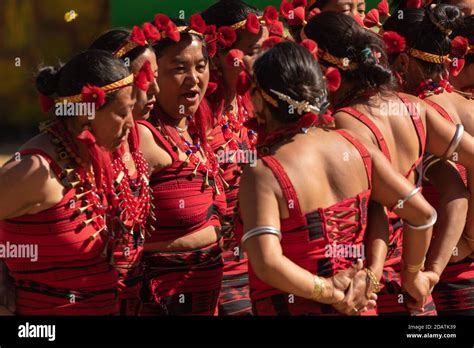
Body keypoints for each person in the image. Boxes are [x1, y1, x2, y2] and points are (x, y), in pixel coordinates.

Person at [238, 41, 440, 316]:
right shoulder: (355, 147)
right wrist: (392, 275)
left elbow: (267, 263)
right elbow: (422, 215)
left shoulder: (262, 172)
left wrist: (330, 291)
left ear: (260, 100)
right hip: (361, 307)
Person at [303, 10, 474, 314]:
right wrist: (429, 272)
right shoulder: (414, 108)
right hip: (417, 293)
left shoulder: (340, 124)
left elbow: (392, 211)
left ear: (323, 67)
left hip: (368, 289)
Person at [0, 49, 136, 315]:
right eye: (123, 113)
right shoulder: (35, 171)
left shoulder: (96, 158)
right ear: (87, 114)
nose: (131, 123)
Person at [137, 15, 226, 315]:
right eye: (179, 69)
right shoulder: (143, 137)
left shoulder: (199, 129)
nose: (194, 78)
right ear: (152, 75)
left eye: (200, 66)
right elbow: (110, 237)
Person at [201, 0, 270, 316]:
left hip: (259, 265)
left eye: (264, 50)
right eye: (252, 51)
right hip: (212, 275)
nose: (261, 61)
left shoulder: (256, 106)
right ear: (217, 53)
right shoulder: (193, 120)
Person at [89, 26, 161, 315]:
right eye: (145, 79)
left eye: (156, 77)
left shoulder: (141, 137)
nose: (155, 88)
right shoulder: (79, 152)